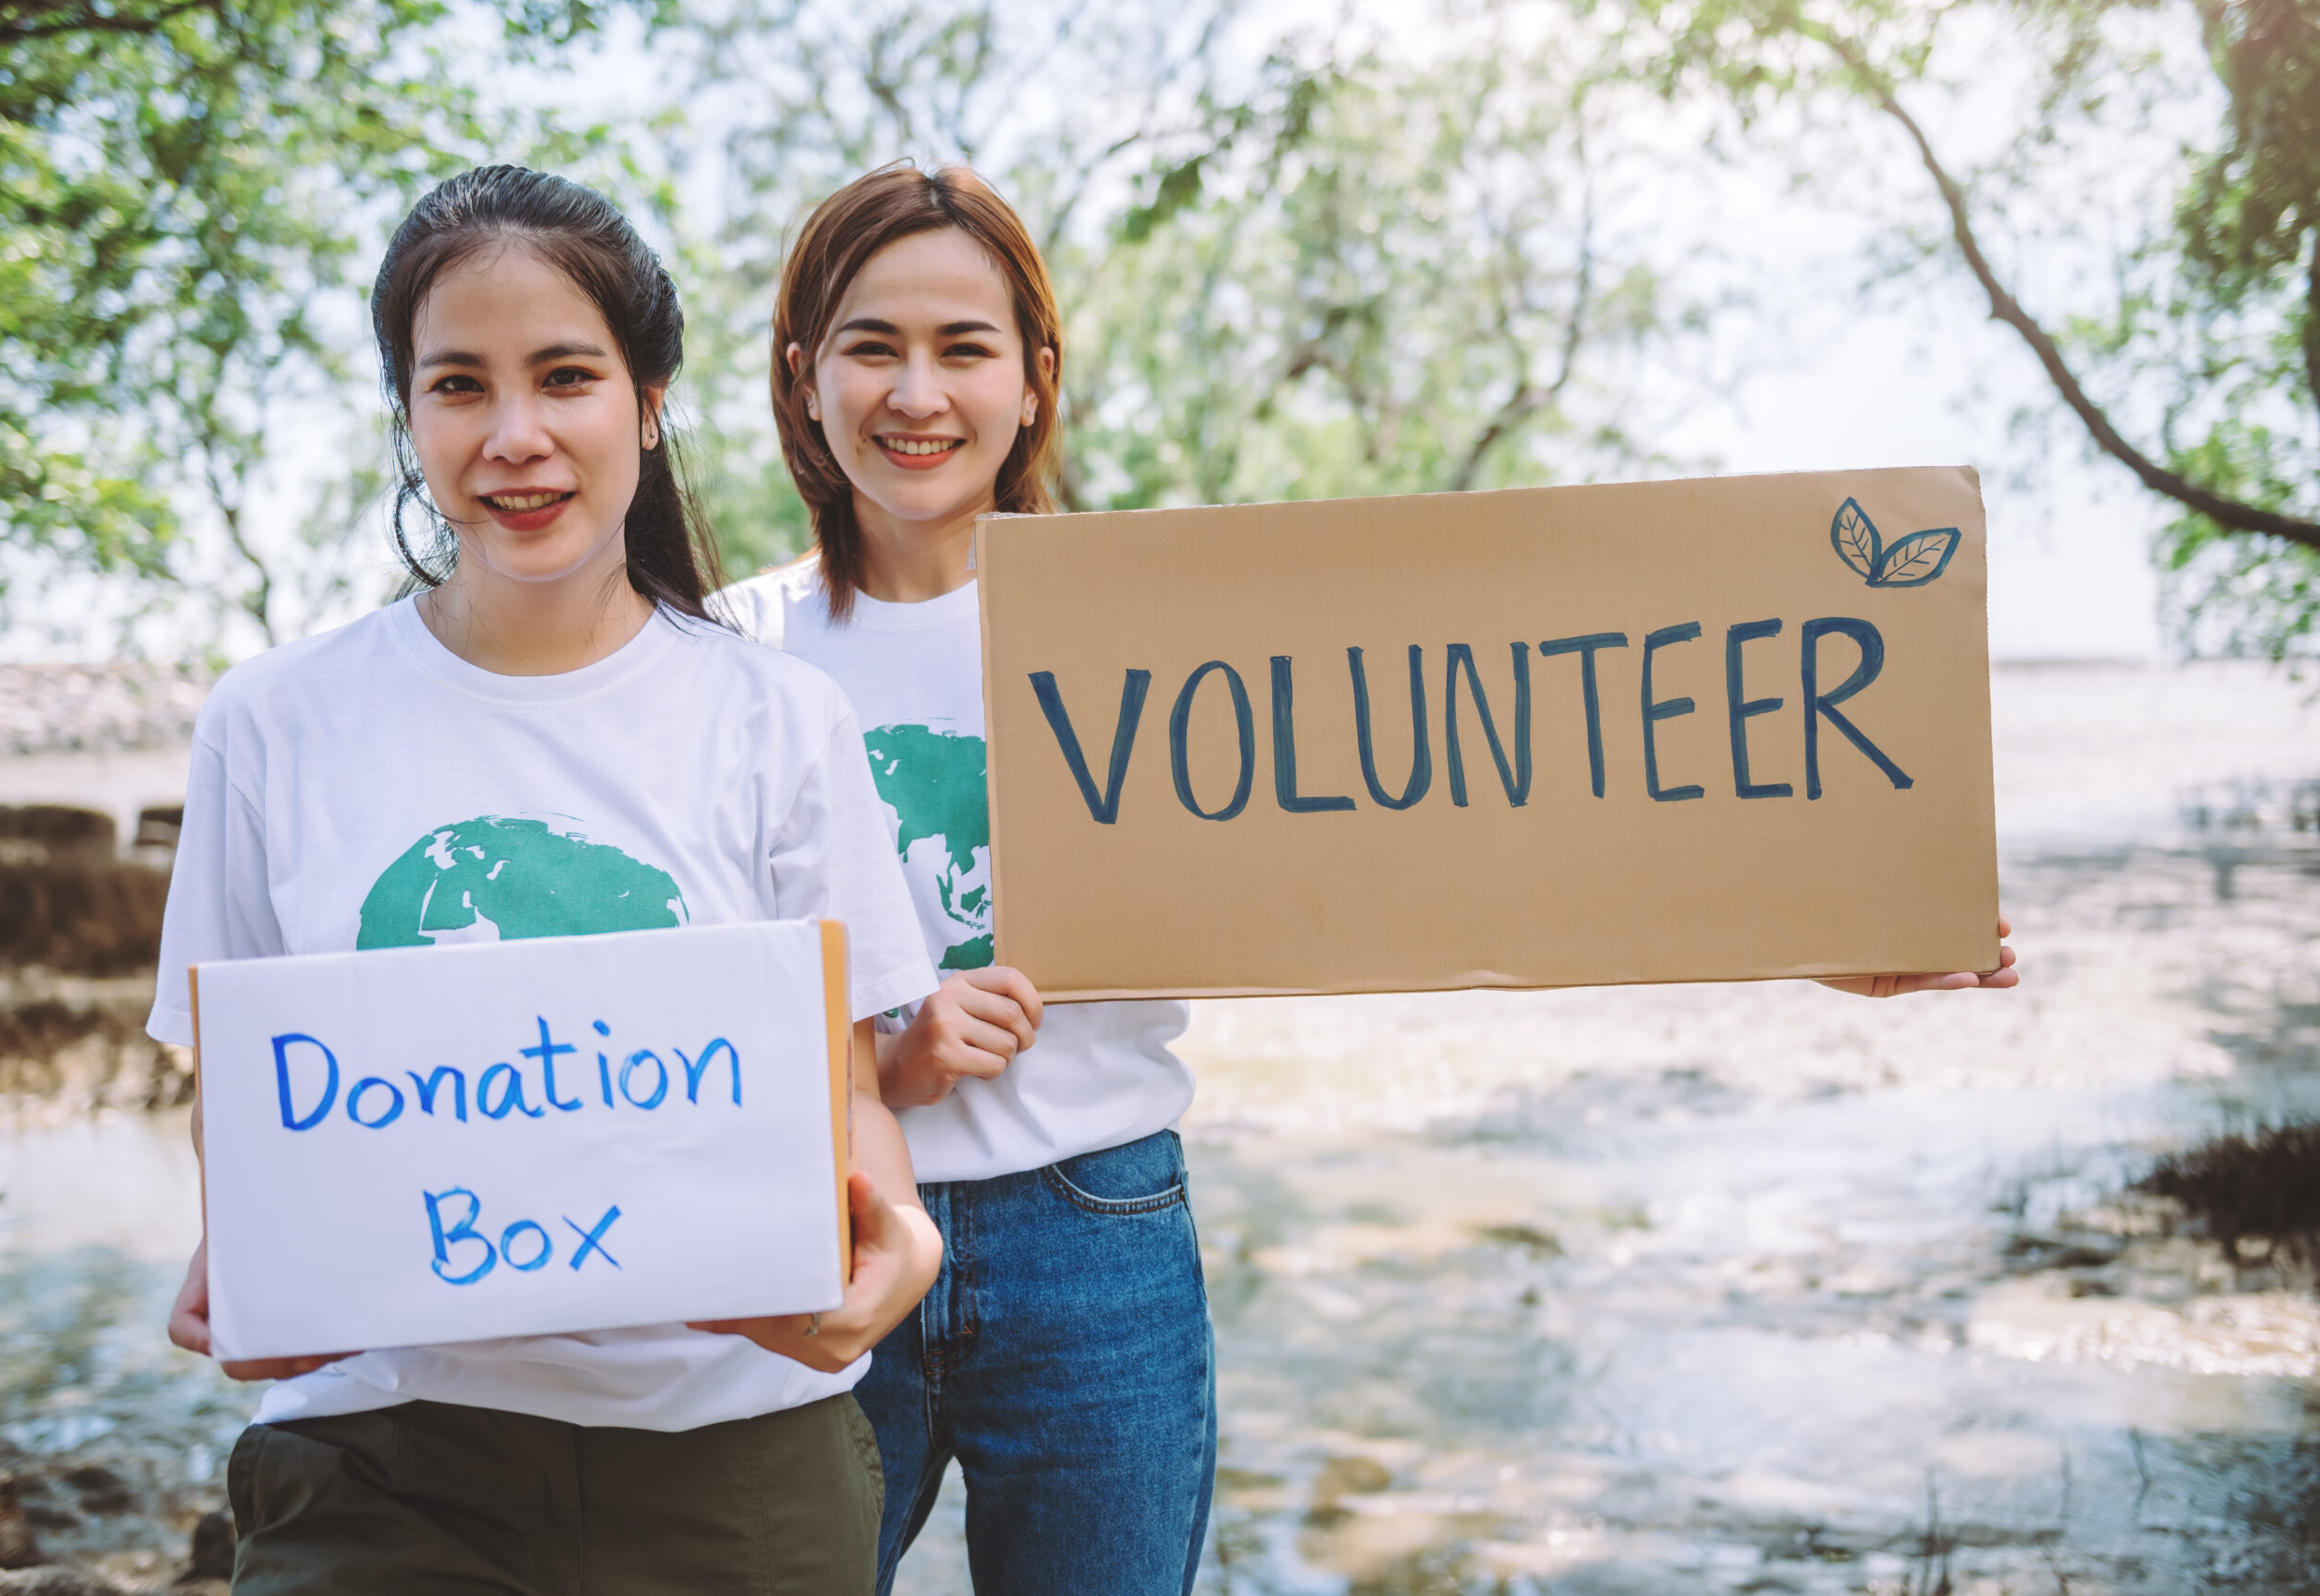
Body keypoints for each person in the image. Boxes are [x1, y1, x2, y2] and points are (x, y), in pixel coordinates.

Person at [727, 161, 2023, 1596]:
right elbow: (679, 987)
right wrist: (873, 1058)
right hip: (820, 1239)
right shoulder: (729, 661)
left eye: (963, 348)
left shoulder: (1153, 620)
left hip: (1098, 1239)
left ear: (1034, 382)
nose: (919, 393)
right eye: (872, 346)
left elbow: (1465, 833)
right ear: (804, 374)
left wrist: (1824, 923)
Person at [150, 165, 945, 1596]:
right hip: (374, 1458)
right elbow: (245, 1108)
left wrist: (895, 1253)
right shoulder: (268, 722)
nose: (516, 436)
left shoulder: (777, 719)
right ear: (409, 414)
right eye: (460, 385)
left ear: (645, 400)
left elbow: (847, 1096)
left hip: (736, 1457)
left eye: (565, 376)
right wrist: (252, 1263)